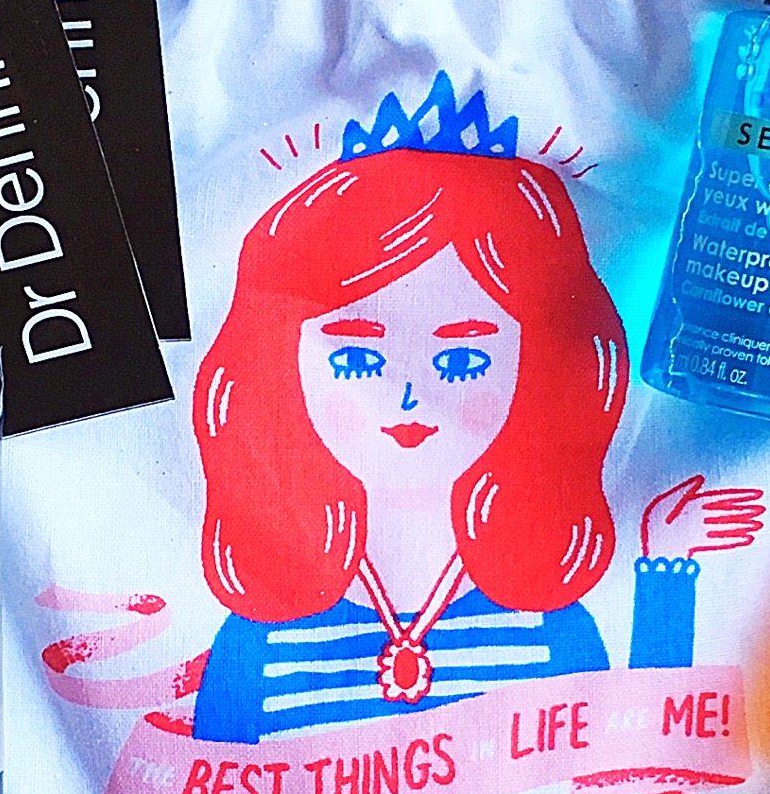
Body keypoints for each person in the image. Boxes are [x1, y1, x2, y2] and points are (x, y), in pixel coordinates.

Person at [191, 91, 628, 745]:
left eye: (462, 362)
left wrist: (668, 586)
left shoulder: (551, 625)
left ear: (536, 374)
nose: (406, 397)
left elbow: (616, 762)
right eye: (356, 360)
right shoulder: (260, 638)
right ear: (278, 368)